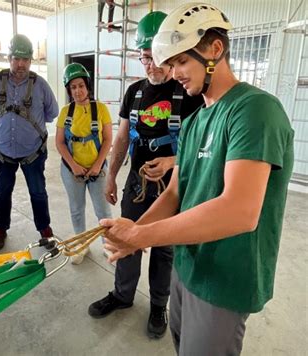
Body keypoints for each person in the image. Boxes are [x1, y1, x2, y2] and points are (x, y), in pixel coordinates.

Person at [103, 3, 294, 355]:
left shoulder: (253, 110)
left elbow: (239, 210)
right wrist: (132, 234)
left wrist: (140, 235)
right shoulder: (194, 122)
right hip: (188, 267)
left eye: (181, 61)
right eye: (171, 63)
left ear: (215, 50)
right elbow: (176, 192)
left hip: (224, 280)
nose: (174, 72)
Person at [87, 11, 204, 340]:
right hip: (137, 184)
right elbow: (122, 137)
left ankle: (157, 304)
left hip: (173, 185)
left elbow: (199, 148)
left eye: (155, 58)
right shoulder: (135, 93)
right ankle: (123, 295)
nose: (150, 65)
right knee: (127, 236)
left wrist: (170, 162)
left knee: (163, 246)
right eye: (143, 58)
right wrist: (110, 177)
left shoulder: (190, 95)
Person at [0, 34, 59, 251]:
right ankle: (0, 229)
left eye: (25, 59)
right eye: (16, 58)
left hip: (32, 152)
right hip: (2, 151)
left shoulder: (40, 85)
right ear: (9, 58)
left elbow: (52, 113)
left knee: (38, 192)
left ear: (31, 61)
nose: (21, 63)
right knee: (2, 192)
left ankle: (45, 229)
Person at [55, 63, 113, 264]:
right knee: (76, 208)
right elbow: (60, 142)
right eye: (73, 87)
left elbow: (107, 140)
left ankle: (109, 245)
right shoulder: (65, 112)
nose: (78, 91)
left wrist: (97, 165)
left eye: (81, 85)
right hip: (72, 169)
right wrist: (73, 166)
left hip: (97, 169)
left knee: (103, 210)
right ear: (69, 90)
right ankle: (81, 245)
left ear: (87, 86)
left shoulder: (101, 109)